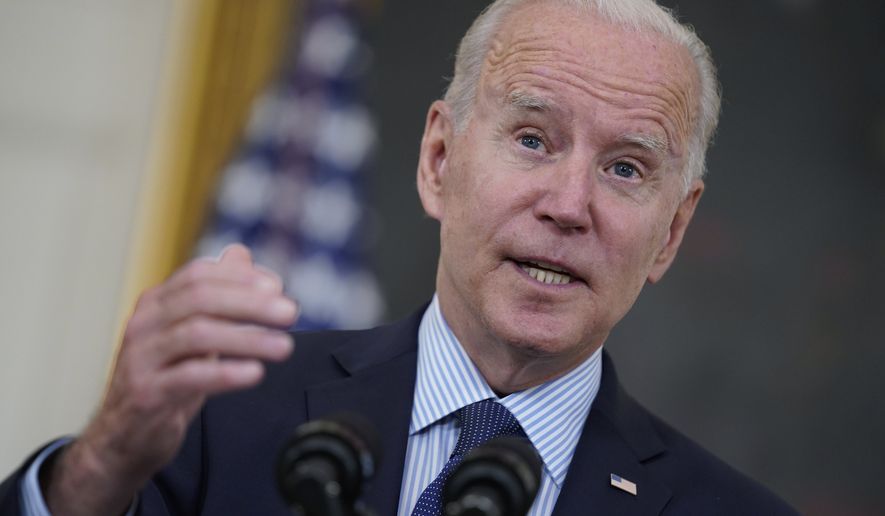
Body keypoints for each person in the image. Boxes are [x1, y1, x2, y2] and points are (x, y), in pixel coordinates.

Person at [0, 0, 799, 514]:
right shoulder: (221, 414)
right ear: (438, 161)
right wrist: (99, 467)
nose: (568, 204)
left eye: (625, 168)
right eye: (531, 139)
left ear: (669, 233)